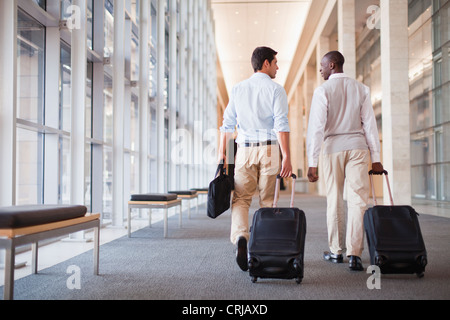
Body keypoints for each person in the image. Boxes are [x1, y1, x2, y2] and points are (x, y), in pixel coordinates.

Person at [306, 51, 384, 271]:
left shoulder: (323, 91)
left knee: (335, 198)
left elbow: (316, 129)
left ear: (332, 65)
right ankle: (355, 254)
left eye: (322, 65)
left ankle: (336, 251)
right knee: (359, 200)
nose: (320, 69)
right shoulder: (361, 89)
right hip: (358, 148)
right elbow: (369, 124)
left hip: (332, 149)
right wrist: (376, 158)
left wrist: (313, 162)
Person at [218, 46, 292, 271]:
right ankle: (263, 246)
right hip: (269, 149)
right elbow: (281, 124)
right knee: (268, 201)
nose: (278, 67)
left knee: (241, 199)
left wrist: (223, 153)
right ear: (266, 63)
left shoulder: (238, 89)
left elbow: (227, 124)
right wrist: (287, 155)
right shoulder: (276, 90)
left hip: (245, 150)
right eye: (275, 63)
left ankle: (241, 238)